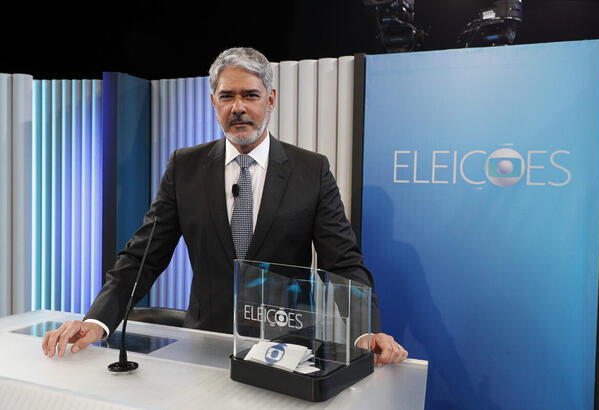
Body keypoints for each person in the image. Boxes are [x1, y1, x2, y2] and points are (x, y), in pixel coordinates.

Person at [42, 47, 408, 366]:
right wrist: (97, 320)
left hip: (288, 349)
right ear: (213, 101)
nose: (238, 107)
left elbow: (342, 263)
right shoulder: (184, 167)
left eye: (250, 95)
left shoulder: (311, 171)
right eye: (227, 96)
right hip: (205, 345)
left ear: (271, 99)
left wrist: (366, 333)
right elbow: (142, 258)